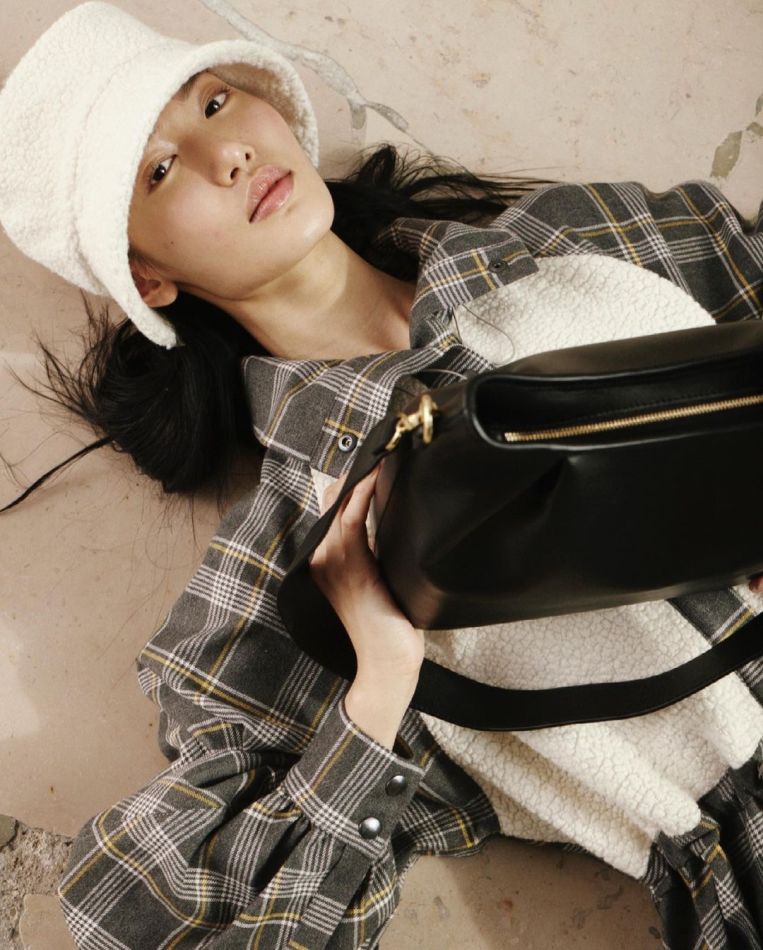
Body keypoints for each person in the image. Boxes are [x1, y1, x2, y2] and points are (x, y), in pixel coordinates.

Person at [2, 4, 763, 949]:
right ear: (146, 277)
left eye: (215, 101)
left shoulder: (581, 239)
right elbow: (143, 923)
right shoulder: (289, 558)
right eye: (158, 170)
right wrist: (377, 686)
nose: (226, 153)